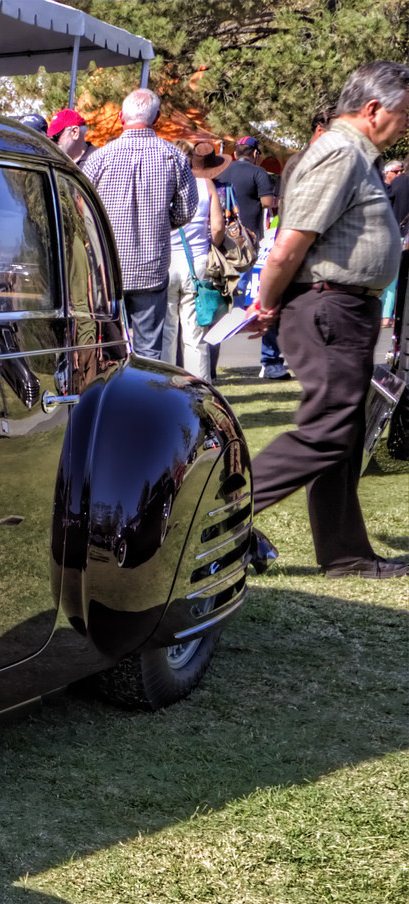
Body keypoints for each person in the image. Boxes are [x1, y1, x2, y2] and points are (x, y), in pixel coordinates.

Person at [250, 60, 409, 579]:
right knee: (326, 432)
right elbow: (287, 245)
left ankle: (347, 556)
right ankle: (216, 513)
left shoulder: (357, 156)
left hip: (347, 307)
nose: (406, 124)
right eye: (404, 113)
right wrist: (266, 304)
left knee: (343, 433)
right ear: (373, 110)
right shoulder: (339, 153)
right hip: (329, 306)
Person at [82, 88, 197, 359]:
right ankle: (143, 400)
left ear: (121, 117)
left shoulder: (99, 158)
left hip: (106, 269)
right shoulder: (174, 157)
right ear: (156, 118)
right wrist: (156, 223)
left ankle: (111, 398)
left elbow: (80, 209)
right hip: (150, 266)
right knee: (148, 352)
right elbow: (185, 211)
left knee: (108, 349)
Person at [258, 100, 340, 380]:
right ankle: (271, 361)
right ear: (319, 131)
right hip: (304, 266)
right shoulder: (302, 163)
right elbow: (292, 220)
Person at [168, 140, 231, 381]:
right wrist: (211, 246)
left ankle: (164, 390)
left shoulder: (163, 183)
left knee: (167, 333)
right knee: (195, 337)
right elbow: (217, 228)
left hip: (166, 262)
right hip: (196, 261)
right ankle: (199, 391)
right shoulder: (207, 186)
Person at [219, 135, 279, 238]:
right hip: (248, 236)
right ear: (255, 153)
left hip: (225, 233)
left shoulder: (222, 170)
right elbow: (267, 202)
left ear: (235, 154)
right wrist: (279, 200)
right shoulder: (258, 172)